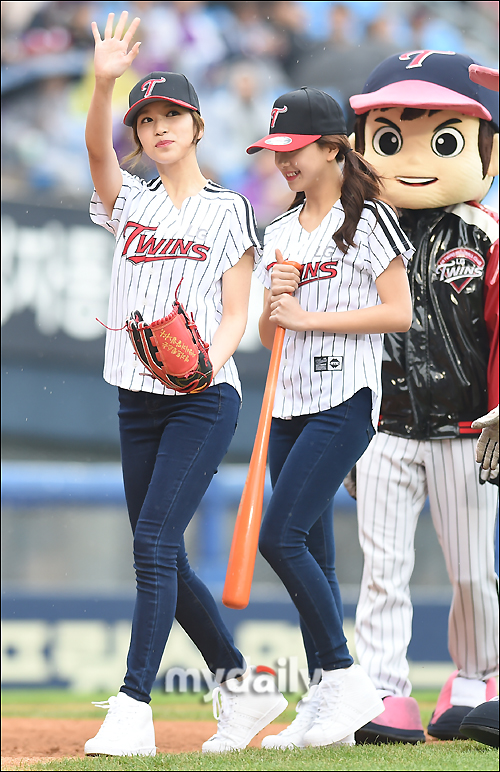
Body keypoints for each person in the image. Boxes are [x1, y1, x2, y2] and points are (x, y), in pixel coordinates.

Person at [83, 11, 287, 757]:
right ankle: (244, 687)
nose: (159, 127)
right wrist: (103, 86)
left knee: (153, 543)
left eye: (171, 115)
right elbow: (95, 153)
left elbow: (236, 314)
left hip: (204, 400)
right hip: (135, 399)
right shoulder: (130, 200)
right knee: (163, 553)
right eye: (146, 120)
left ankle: (133, 706)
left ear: (197, 125)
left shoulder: (229, 210)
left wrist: (207, 361)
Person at [245, 86, 414, 749]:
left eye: (294, 149)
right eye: (275, 151)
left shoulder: (371, 218)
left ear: (333, 148)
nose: (283, 162)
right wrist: (277, 301)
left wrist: (311, 316)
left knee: (278, 538)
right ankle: (326, 699)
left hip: (345, 401)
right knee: (312, 552)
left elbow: (398, 313)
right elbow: (270, 334)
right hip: (287, 404)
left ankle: (344, 678)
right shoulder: (280, 231)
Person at [348, 50, 499, 744]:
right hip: (383, 424)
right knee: (383, 569)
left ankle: (476, 677)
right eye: (388, 138)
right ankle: (383, 690)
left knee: (471, 572)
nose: (411, 158)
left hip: (469, 427)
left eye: (441, 140)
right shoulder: (356, 231)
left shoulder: (486, 233)